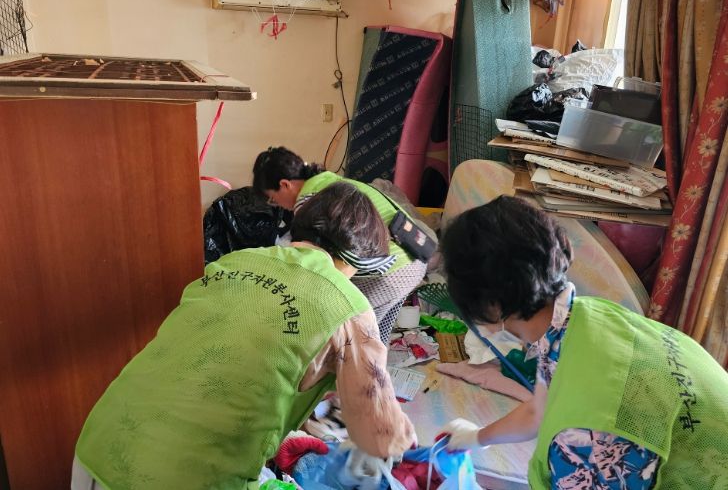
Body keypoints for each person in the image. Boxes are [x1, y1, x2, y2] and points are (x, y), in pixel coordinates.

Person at [72, 182, 416, 490]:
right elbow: (380, 437)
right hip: (181, 478)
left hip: (97, 448)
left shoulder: (235, 262)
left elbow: (217, 367)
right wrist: (410, 443)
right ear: (361, 259)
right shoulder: (349, 307)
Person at [438, 196, 728, 489]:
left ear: (491, 306)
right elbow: (538, 410)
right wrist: (477, 437)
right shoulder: (581, 319)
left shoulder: (586, 437)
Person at [252, 146, 427, 345]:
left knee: (354, 334)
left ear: (285, 184)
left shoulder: (309, 202)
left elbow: (323, 268)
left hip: (393, 270)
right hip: (414, 256)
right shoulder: (328, 180)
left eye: (273, 200)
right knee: (376, 334)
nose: (279, 206)